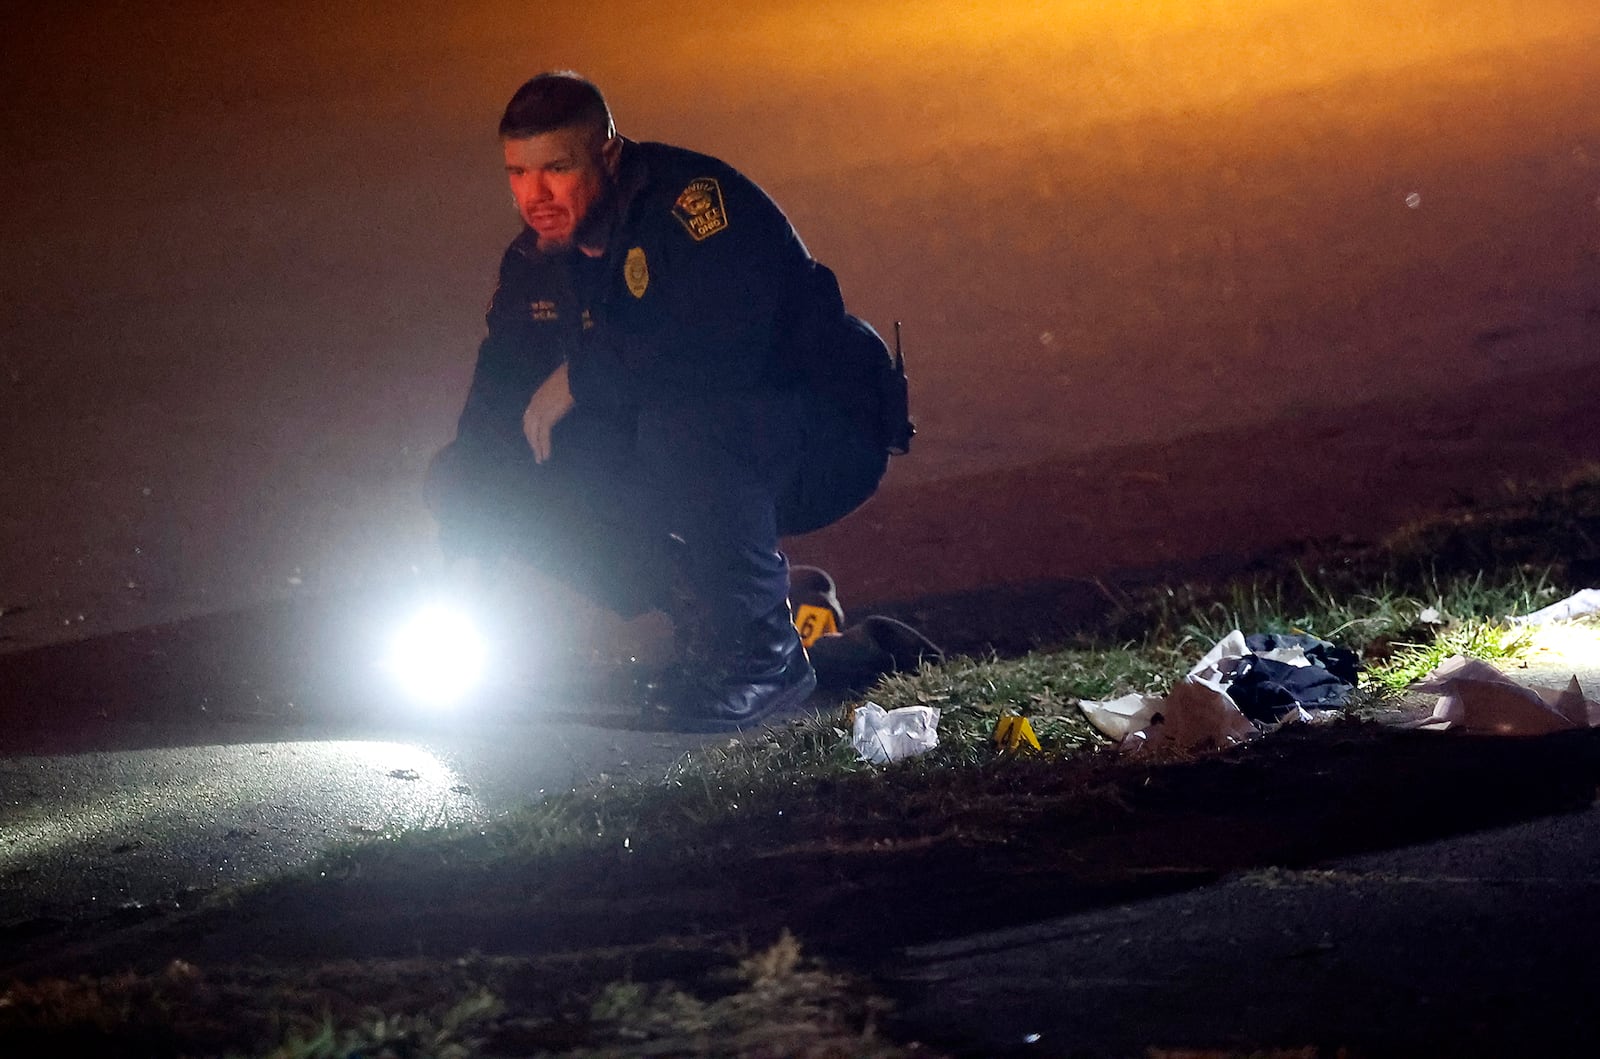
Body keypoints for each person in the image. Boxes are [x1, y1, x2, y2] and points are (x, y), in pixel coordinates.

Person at [426, 71, 900, 731]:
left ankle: (763, 658)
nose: (535, 195)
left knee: (684, 420)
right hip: (704, 441)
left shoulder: (693, 206)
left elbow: (723, 347)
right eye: (518, 173)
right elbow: (496, 399)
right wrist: (467, 536)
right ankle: (722, 621)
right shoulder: (536, 264)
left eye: (557, 168)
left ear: (609, 153)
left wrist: (581, 376)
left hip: (823, 429)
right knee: (478, 476)